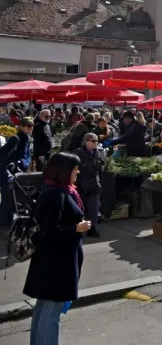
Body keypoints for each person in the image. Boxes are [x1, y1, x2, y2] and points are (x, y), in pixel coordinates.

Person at [23, 152, 91, 345]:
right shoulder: (55, 194)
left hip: (53, 260)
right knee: (51, 311)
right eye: (75, 169)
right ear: (64, 171)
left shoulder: (56, 189)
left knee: (44, 307)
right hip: (57, 263)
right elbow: (50, 230)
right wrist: (76, 228)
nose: (77, 172)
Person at [0, 118, 33, 229]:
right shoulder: (16, 138)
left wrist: (24, 162)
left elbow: (28, 153)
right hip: (8, 172)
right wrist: (12, 163)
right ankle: (3, 224)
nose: (31, 128)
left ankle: (9, 222)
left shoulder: (27, 138)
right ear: (22, 126)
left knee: (15, 197)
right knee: (7, 197)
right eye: (29, 126)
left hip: (19, 171)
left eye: (32, 126)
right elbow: (3, 153)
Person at [75, 133, 104, 237]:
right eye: (93, 141)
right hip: (81, 184)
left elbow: (100, 168)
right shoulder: (78, 153)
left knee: (94, 208)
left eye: (97, 141)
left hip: (94, 184)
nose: (96, 143)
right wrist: (77, 183)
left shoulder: (98, 153)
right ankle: (78, 228)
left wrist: (100, 181)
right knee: (79, 208)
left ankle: (92, 228)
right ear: (86, 142)